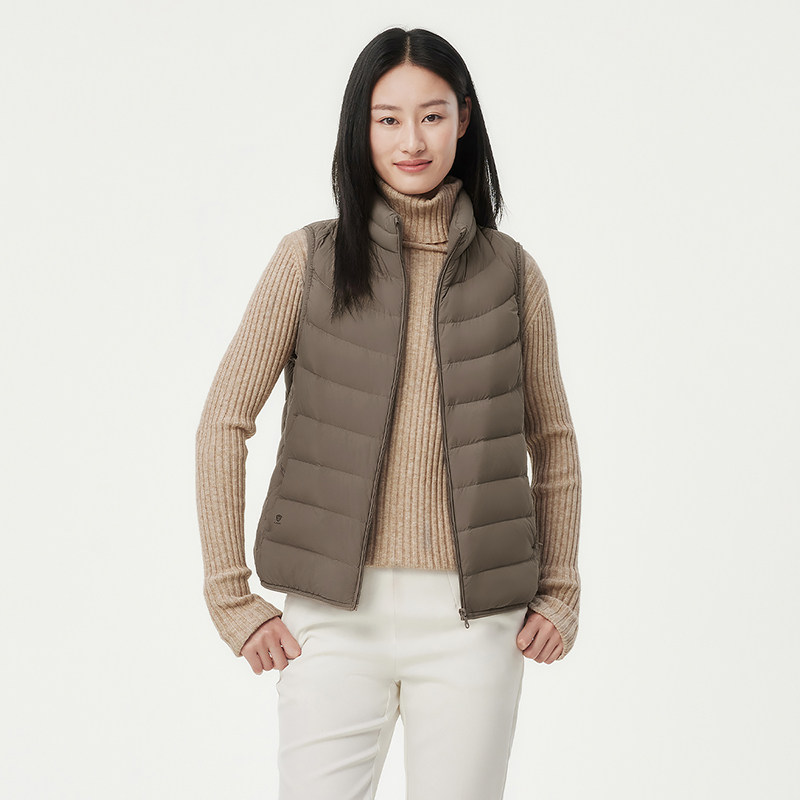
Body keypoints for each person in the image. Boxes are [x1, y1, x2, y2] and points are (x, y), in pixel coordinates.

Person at [195, 26, 582, 800]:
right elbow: (223, 421)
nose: (412, 140)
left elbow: (554, 442)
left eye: (432, 116)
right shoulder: (309, 259)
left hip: (475, 624)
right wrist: (231, 597)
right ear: (360, 127)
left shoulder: (513, 274)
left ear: (463, 119)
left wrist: (561, 589)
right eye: (388, 118)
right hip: (334, 617)